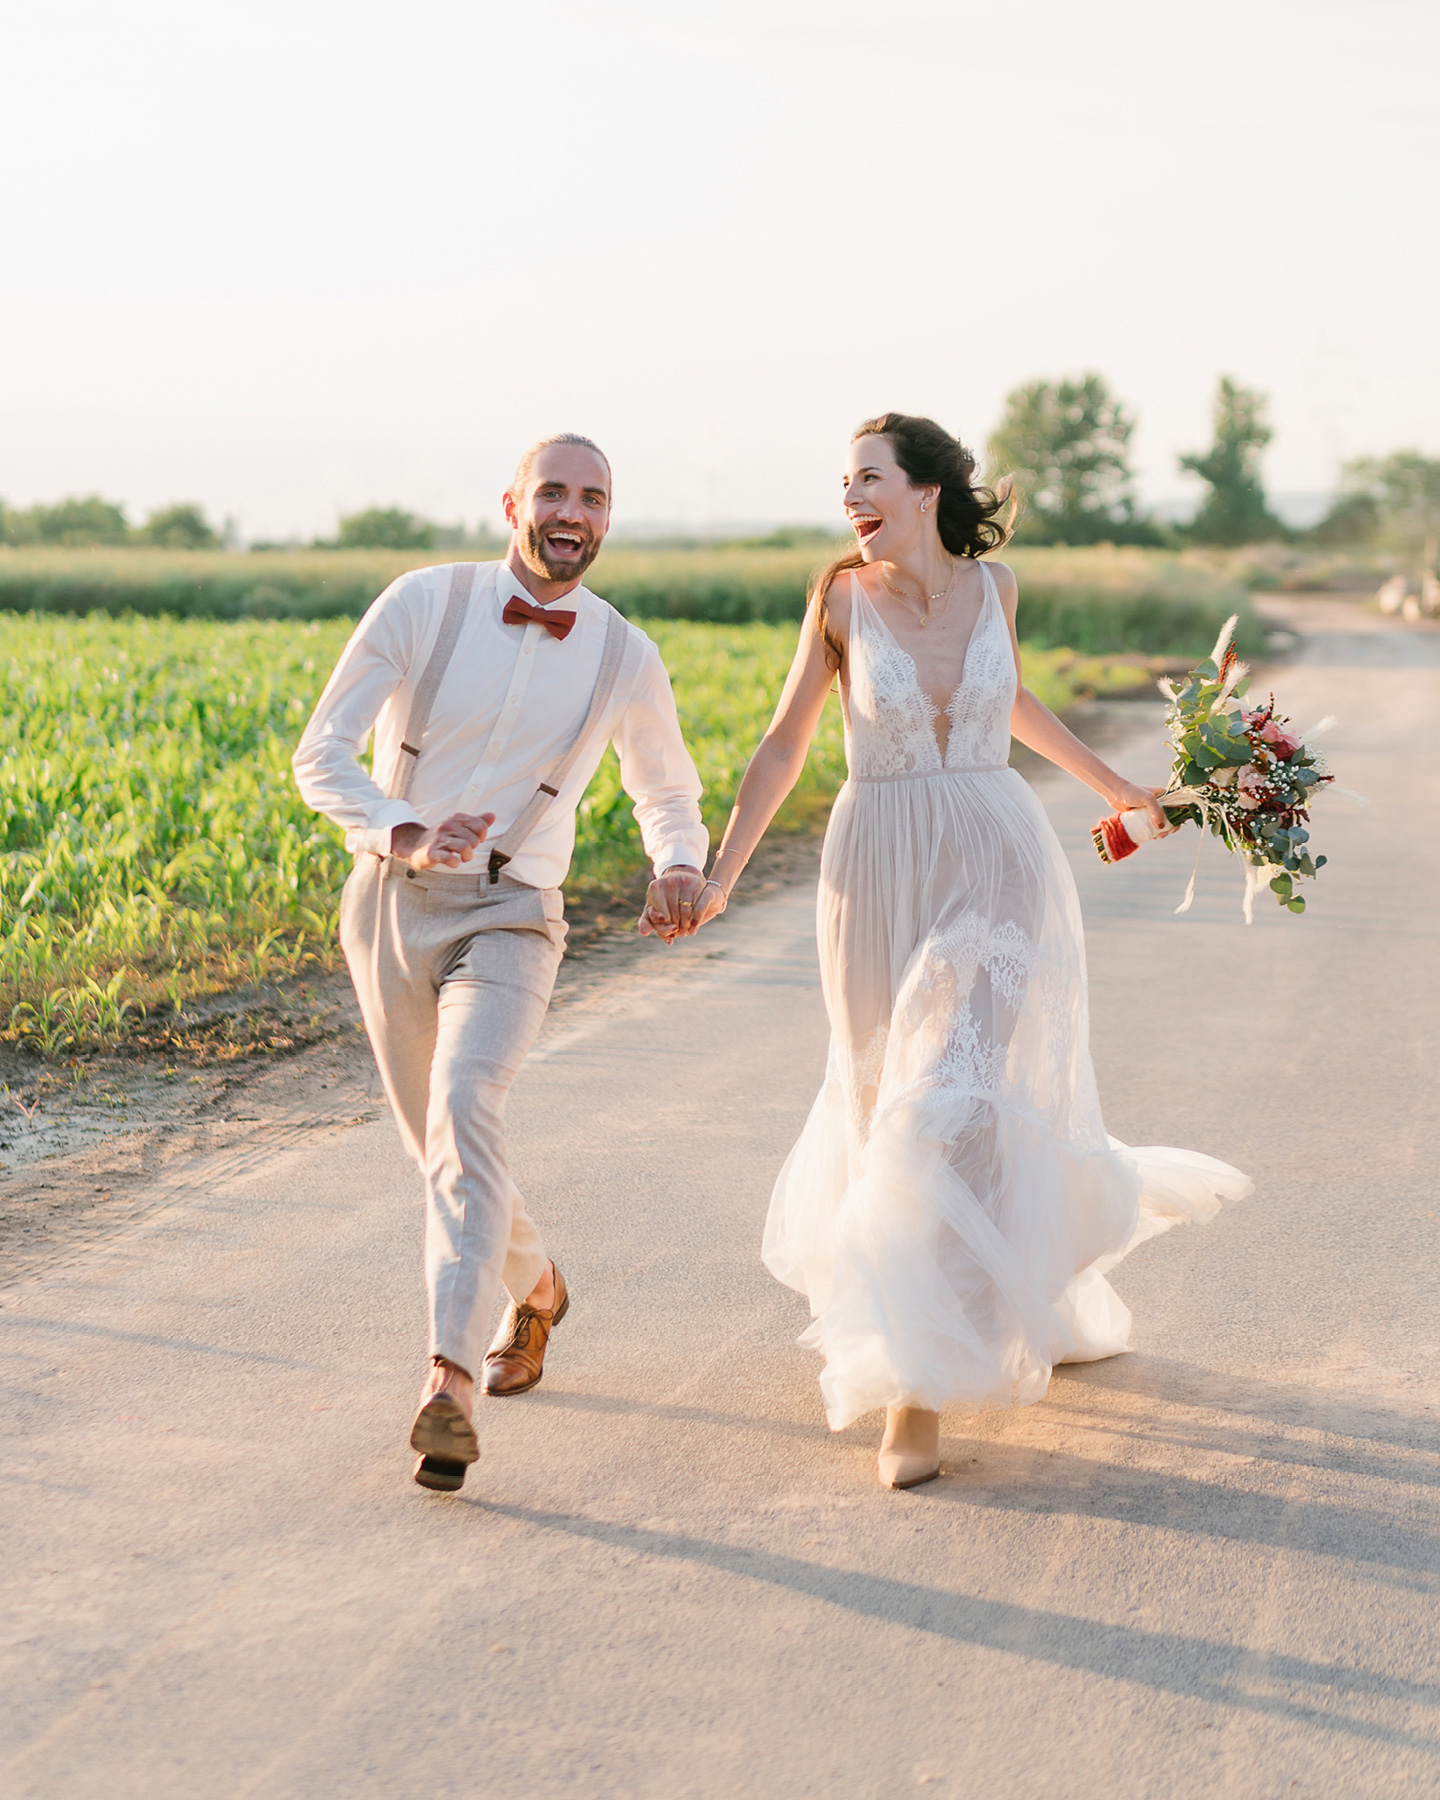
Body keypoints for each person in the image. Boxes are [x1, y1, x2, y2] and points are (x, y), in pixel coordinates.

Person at [687, 413, 1250, 1489]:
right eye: (843, 482)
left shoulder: (999, 591)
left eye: (868, 477)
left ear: (928, 489)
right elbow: (783, 743)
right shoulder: (841, 600)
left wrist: (1121, 790)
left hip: (996, 862)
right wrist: (719, 877)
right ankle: (981, 1297)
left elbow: (1012, 701)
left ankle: (914, 1386)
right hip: (876, 868)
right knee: (880, 1104)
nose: (849, 497)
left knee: (944, 1101)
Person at [293, 434, 708, 1493]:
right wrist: (401, 829)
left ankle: (448, 1384)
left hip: (514, 914)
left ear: (608, 520)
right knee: (438, 1145)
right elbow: (322, 755)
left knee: (467, 1104)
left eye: (596, 498)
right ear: (513, 503)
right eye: (555, 492)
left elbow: (666, 789)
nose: (573, 512)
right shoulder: (424, 604)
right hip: (387, 902)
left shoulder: (624, 653)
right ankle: (539, 1287)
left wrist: (676, 864)